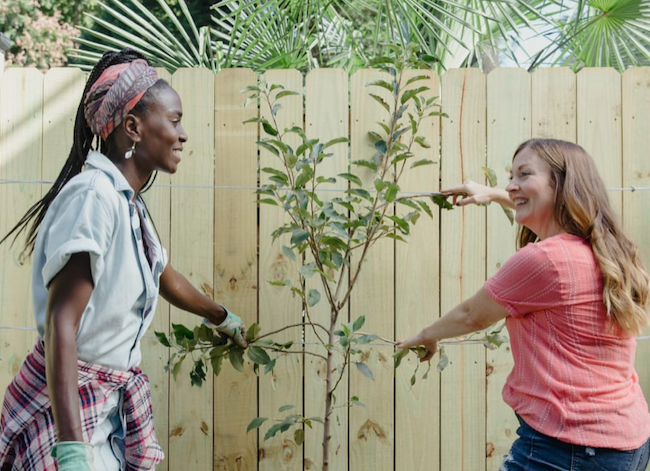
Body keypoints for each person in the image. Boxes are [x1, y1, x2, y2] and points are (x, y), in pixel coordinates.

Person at [0, 49, 248, 471]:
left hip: (104, 408)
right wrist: (72, 452)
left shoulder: (127, 204)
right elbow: (63, 322)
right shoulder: (93, 197)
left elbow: (165, 277)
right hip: (70, 414)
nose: (184, 134)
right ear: (133, 127)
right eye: (174, 120)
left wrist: (221, 316)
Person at [398, 138, 650, 471]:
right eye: (511, 176)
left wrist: (428, 334)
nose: (511, 185)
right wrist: (493, 194)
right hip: (626, 441)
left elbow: (472, 315)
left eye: (524, 175)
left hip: (569, 447)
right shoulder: (605, 250)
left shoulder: (545, 259)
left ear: (560, 184)